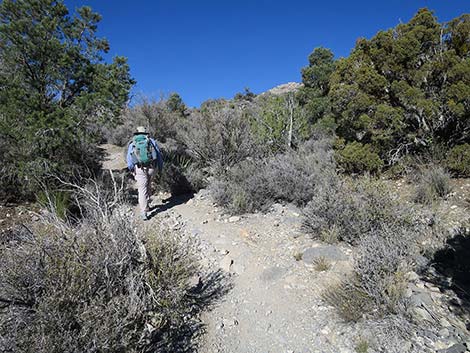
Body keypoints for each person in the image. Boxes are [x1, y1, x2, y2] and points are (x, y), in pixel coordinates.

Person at [126, 126, 163, 220]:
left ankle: (144, 212)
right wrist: (160, 168)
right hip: (152, 168)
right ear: (145, 133)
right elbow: (159, 155)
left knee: (142, 189)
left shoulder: (133, 143)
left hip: (139, 169)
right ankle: (147, 204)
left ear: (137, 133)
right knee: (149, 185)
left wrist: (132, 169)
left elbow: (129, 159)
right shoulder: (151, 141)